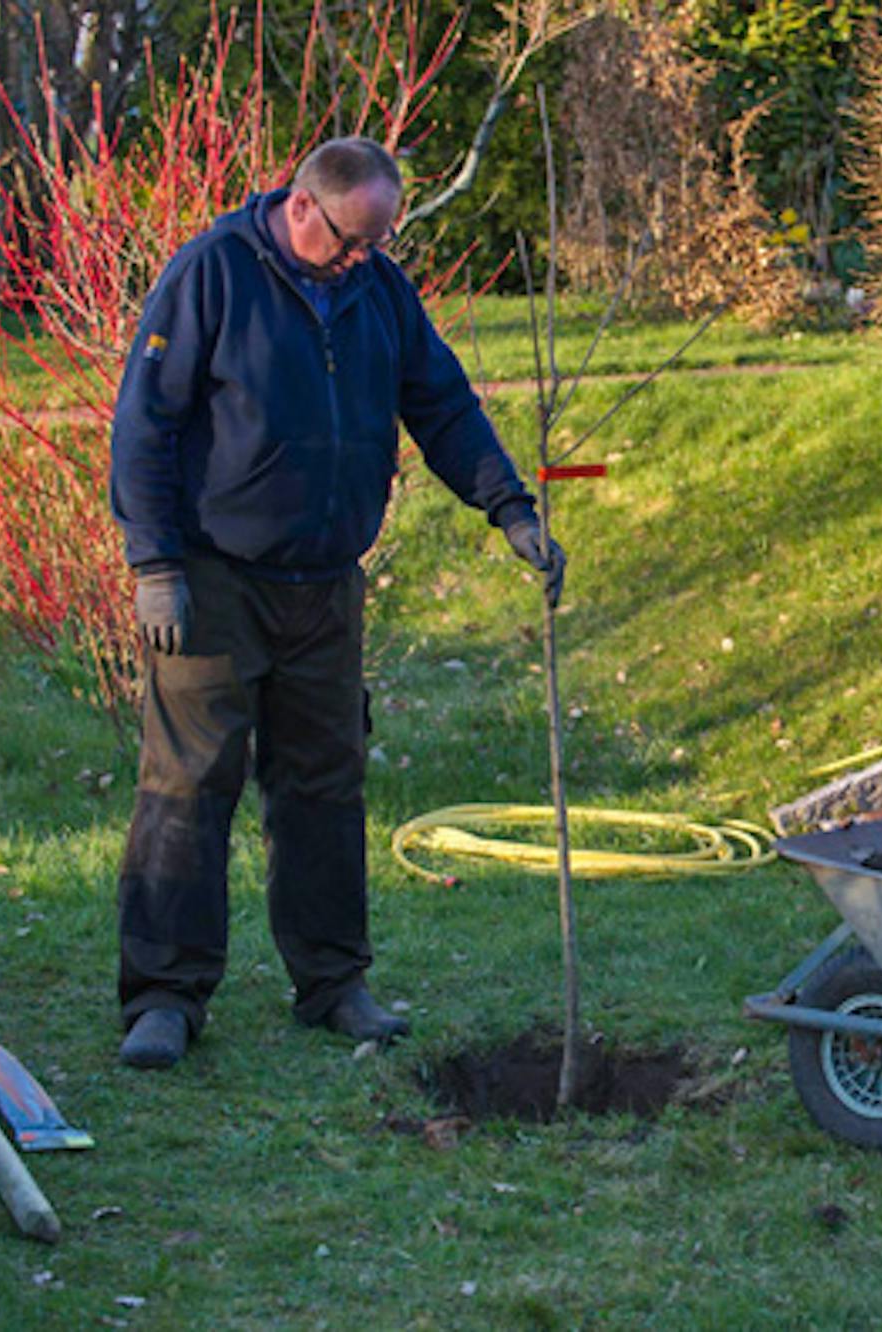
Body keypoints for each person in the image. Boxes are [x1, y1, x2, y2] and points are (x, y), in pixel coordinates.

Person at [108, 137, 563, 1070]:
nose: (367, 257)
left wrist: (509, 507)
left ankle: (333, 984)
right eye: (355, 239)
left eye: (381, 242)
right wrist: (154, 562)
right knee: (189, 787)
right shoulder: (213, 274)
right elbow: (143, 421)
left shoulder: (378, 291)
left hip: (325, 586)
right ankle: (164, 997)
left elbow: (441, 403)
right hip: (212, 577)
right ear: (304, 207)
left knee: (324, 784)